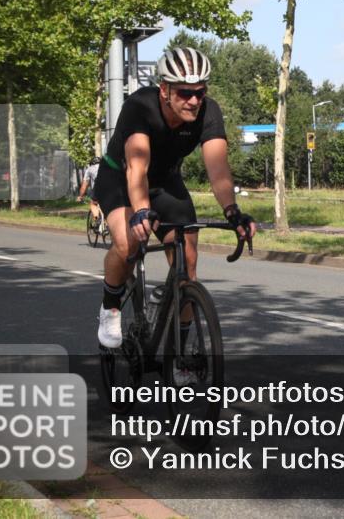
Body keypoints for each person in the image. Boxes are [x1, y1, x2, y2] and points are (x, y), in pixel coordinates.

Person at [93, 46, 255, 351]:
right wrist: (142, 211)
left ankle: (179, 353)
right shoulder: (140, 106)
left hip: (166, 182)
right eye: (184, 93)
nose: (194, 101)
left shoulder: (208, 112)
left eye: (200, 92)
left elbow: (218, 169)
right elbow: (137, 167)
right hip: (120, 178)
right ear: (165, 90)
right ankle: (110, 306)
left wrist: (233, 211)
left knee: (188, 264)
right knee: (129, 243)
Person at [77, 156, 103, 226]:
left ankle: (97, 219)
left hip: (98, 186)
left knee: (93, 203)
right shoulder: (107, 167)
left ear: (91, 163)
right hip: (112, 187)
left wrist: (80, 196)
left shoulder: (89, 169)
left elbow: (84, 185)